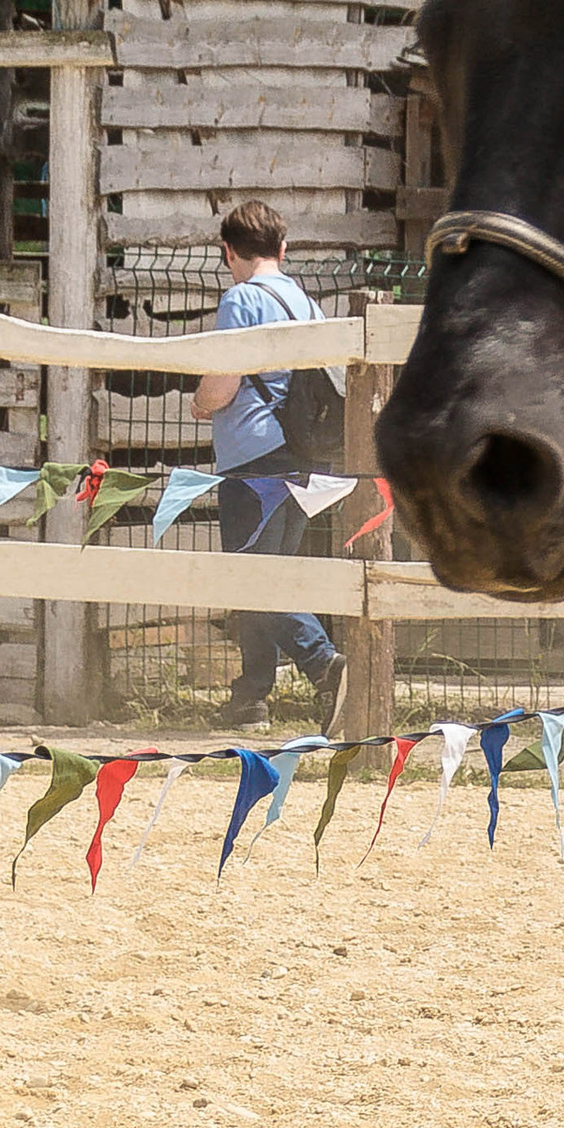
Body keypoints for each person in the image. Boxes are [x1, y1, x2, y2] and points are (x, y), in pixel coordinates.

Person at [191, 196, 346, 734]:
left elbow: (221, 386)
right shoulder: (308, 305)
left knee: (252, 578)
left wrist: (201, 402)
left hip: (252, 458)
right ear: (283, 248)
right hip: (303, 458)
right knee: (264, 573)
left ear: (229, 251)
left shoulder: (240, 300)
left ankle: (325, 664)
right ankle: (250, 698)